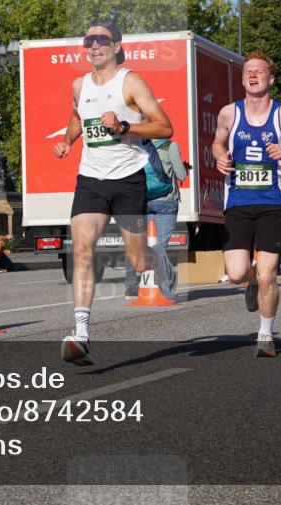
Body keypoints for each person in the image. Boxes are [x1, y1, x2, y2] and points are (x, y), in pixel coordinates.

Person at [53, 21, 173, 365]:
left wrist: (124, 127)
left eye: (101, 40)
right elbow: (77, 117)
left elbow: (165, 126)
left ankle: (160, 262)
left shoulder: (130, 82)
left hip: (127, 179)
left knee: (139, 260)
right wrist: (67, 140)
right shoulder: (79, 85)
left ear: (117, 46)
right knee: (83, 249)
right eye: (88, 40)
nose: (94, 46)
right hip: (90, 179)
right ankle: (81, 334)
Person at [213, 51, 281, 358]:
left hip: (272, 202)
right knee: (237, 273)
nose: (252, 76)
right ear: (242, 79)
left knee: (269, 274)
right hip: (238, 201)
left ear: (271, 79)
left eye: (259, 72)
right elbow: (218, 141)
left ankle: (265, 335)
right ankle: (251, 282)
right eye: (248, 72)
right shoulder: (229, 113)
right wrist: (219, 156)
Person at [123, 138, 188, 302]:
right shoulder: (170, 146)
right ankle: (165, 290)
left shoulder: (137, 145)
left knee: (137, 243)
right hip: (166, 202)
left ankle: (131, 286)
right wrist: (183, 169)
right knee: (159, 246)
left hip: (143, 200)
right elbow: (181, 175)